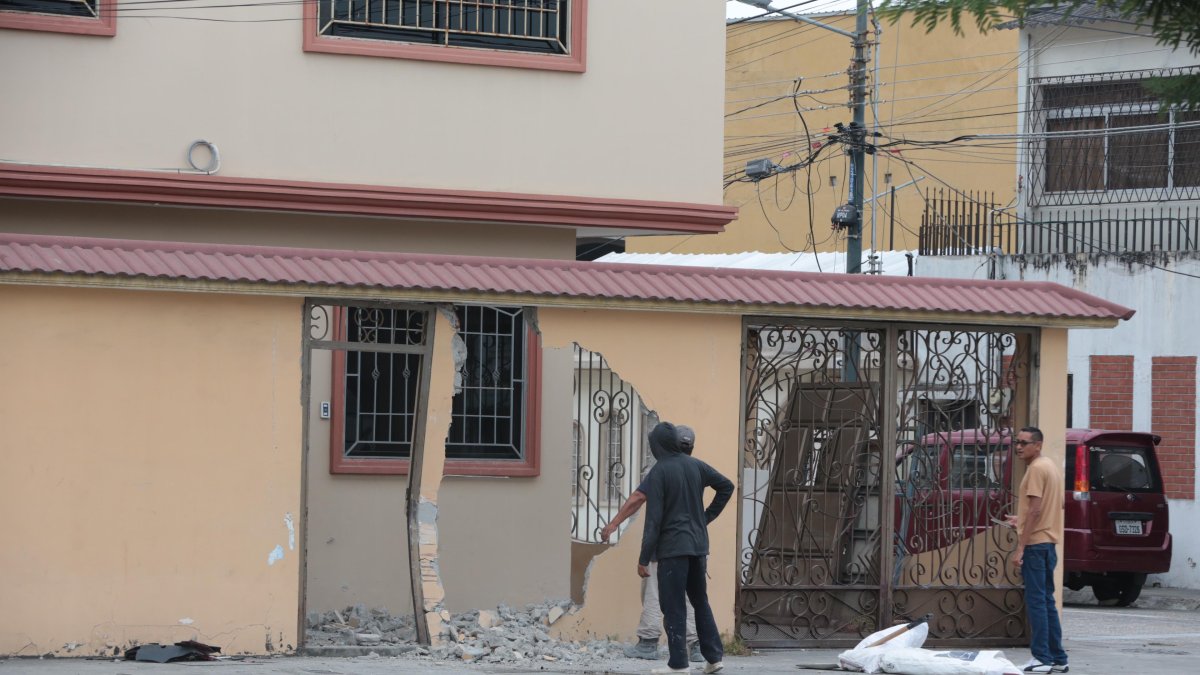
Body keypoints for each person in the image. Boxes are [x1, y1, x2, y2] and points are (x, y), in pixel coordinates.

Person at [637, 421, 734, 674]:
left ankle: (679, 665)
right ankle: (714, 659)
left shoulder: (659, 472)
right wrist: (705, 517)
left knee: (673, 606)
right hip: (698, 547)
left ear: (657, 445)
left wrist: (644, 558)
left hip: (672, 549)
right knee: (700, 601)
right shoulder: (696, 465)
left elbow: (653, 521)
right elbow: (727, 486)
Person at [601, 425, 701, 663]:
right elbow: (724, 487)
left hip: (666, 545)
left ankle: (648, 642)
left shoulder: (663, 469)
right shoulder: (696, 468)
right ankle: (696, 646)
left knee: (655, 592)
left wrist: (613, 524)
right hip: (693, 544)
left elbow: (639, 498)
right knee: (689, 595)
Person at [1006, 426, 1069, 674]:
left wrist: (1020, 547)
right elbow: (1052, 506)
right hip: (1048, 544)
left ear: (1038, 445)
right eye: (1017, 442)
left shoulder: (1035, 469)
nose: (1019, 447)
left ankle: (1042, 657)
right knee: (1046, 601)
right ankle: (1058, 658)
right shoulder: (1050, 466)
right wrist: (1019, 519)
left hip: (1035, 546)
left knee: (1036, 603)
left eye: (1024, 443)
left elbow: (1035, 510)